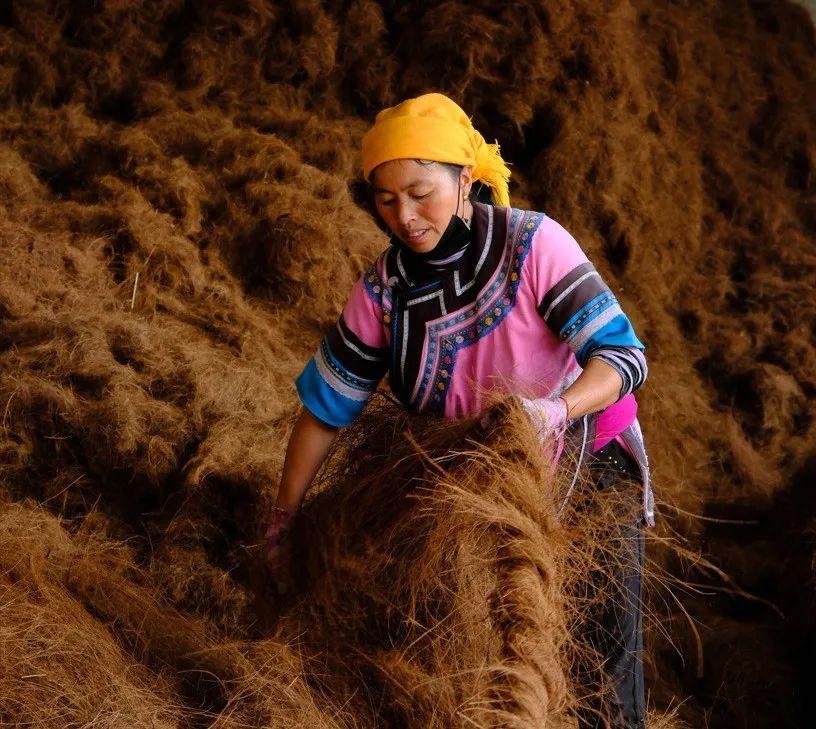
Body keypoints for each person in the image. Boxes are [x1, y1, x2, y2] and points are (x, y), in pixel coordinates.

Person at [264, 92, 653, 729]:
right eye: (386, 200)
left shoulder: (532, 244)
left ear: (465, 179)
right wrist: (285, 517)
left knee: (599, 667)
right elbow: (325, 412)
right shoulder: (383, 291)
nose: (405, 216)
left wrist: (555, 411)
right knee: (477, 664)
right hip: (474, 491)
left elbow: (621, 356)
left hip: (589, 464)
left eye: (421, 194)